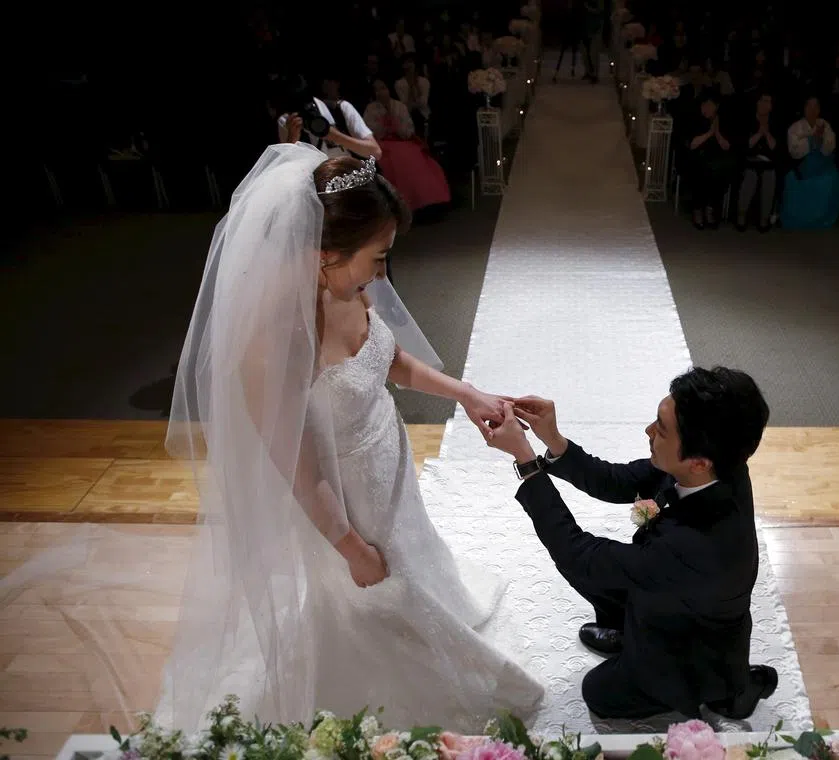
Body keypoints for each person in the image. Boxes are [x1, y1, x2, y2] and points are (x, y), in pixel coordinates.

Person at [158, 144, 544, 731]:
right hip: (343, 505)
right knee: (370, 601)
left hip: (386, 465)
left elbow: (387, 360)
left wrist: (467, 393)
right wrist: (350, 549)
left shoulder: (348, 289)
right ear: (323, 255)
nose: (382, 276)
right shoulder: (271, 343)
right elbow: (298, 470)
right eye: (379, 257)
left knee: (415, 565)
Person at [485, 368, 779, 727]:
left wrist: (526, 462)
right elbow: (618, 481)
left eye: (661, 428)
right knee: (609, 581)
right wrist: (553, 439)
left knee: (598, 692)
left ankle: (734, 690)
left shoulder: (694, 546)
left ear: (699, 462)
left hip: (692, 642)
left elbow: (579, 555)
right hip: (677, 594)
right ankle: (632, 631)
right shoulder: (714, 464)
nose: (648, 431)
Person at [364, 80, 451, 212]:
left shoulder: (399, 106)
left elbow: (408, 129)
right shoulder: (371, 109)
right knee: (392, 160)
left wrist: (397, 126)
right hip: (382, 143)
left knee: (416, 156)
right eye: (377, 90)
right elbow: (368, 131)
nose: (381, 92)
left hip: (402, 140)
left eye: (383, 88)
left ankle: (428, 202)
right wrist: (384, 127)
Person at [278, 75, 382, 161]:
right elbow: (289, 170)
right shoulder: (286, 121)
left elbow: (375, 152)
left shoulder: (340, 109)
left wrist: (336, 136)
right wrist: (291, 141)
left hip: (352, 179)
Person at [782, 96, 839, 229]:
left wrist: (821, 139)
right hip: (802, 164)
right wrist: (811, 140)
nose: (812, 110)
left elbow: (830, 146)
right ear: (804, 108)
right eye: (809, 106)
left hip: (823, 164)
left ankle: (824, 219)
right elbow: (794, 151)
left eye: (815, 106)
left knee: (833, 179)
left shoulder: (824, 124)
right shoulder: (796, 127)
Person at [685, 95, 734, 230]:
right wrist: (708, 134)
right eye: (704, 105)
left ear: (716, 107)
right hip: (697, 158)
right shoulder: (694, 121)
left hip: (717, 161)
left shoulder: (723, 121)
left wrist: (716, 132)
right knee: (701, 171)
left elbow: (726, 146)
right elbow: (692, 145)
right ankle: (698, 209)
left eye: (710, 105)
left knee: (721, 171)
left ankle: (710, 208)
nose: (706, 108)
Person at [735, 93, 780, 232]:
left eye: (768, 101)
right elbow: (745, 145)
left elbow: (775, 148)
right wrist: (759, 133)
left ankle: (764, 218)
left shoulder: (775, 123)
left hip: (768, 162)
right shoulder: (747, 120)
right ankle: (741, 215)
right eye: (761, 100)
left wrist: (766, 133)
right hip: (749, 160)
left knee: (769, 175)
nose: (764, 104)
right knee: (751, 175)